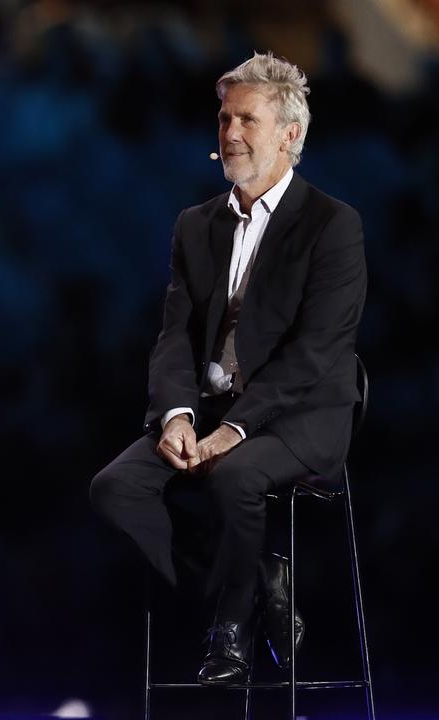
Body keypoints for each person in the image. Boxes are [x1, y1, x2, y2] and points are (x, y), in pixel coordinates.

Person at [90, 52, 366, 685]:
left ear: (290, 135)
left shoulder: (333, 225)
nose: (231, 134)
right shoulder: (197, 225)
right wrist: (178, 417)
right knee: (115, 489)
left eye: (247, 120)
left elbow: (316, 352)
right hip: (213, 410)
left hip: (302, 416)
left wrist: (233, 430)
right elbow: (176, 338)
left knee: (233, 477)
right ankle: (262, 576)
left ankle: (229, 631)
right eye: (224, 119)